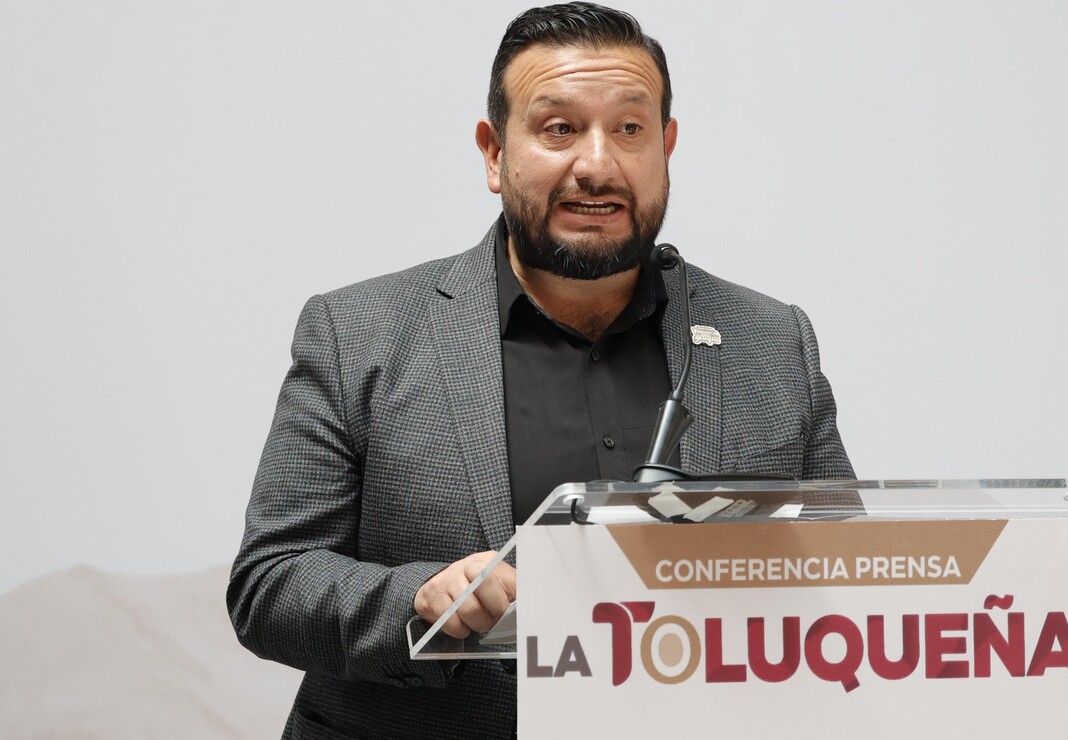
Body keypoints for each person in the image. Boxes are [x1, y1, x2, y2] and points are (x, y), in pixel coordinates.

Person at [227, 3, 854, 738]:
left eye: (629, 128)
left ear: (666, 147)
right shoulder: (357, 333)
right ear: (493, 153)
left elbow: (845, 576)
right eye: (558, 128)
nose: (597, 163)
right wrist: (421, 599)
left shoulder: (771, 340)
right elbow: (271, 583)